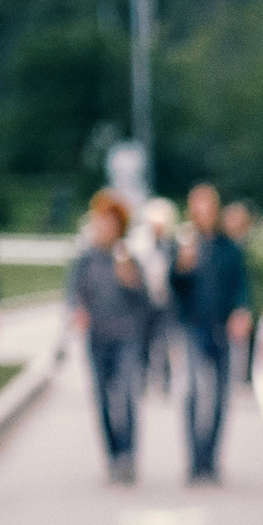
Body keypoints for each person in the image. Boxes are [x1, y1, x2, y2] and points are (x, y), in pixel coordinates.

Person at [170, 183, 251, 482]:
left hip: (222, 327)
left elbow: (241, 284)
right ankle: (193, 459)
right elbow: (173, 286)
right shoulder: (183, 243)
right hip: (192, 326)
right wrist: (181, 267)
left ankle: (210, 459)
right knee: (191, 392)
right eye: (197, 209)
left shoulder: (228, 247)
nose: (203, 214)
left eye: (207, 208)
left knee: (220, 396)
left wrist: (241, 310)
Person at [65, 189, 147, 484]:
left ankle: (128, 455)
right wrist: (78, 311)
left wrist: (132, 281)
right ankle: (113, 456)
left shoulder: (128, 258)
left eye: (111, 222)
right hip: (97, 337)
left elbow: (146, 301)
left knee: (125, 397)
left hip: (126, 336)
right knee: (101, 400)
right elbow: (74, 295)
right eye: (102, 221)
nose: (105, 227)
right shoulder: (86, 260)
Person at [131, 197, 181, 397]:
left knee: (165, 343)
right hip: (145, 303)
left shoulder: (171, 245)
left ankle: (165, 381)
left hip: (166, 302)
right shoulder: (141, 243)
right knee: (144, 342)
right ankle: (142, 379)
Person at [223, 199, 263, 384]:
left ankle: (247, 376)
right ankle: (233, 374)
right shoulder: (223, 241)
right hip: (230, 299)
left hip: (254, 298)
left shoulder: (254, 240)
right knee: (230, 338)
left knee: (251, 338)